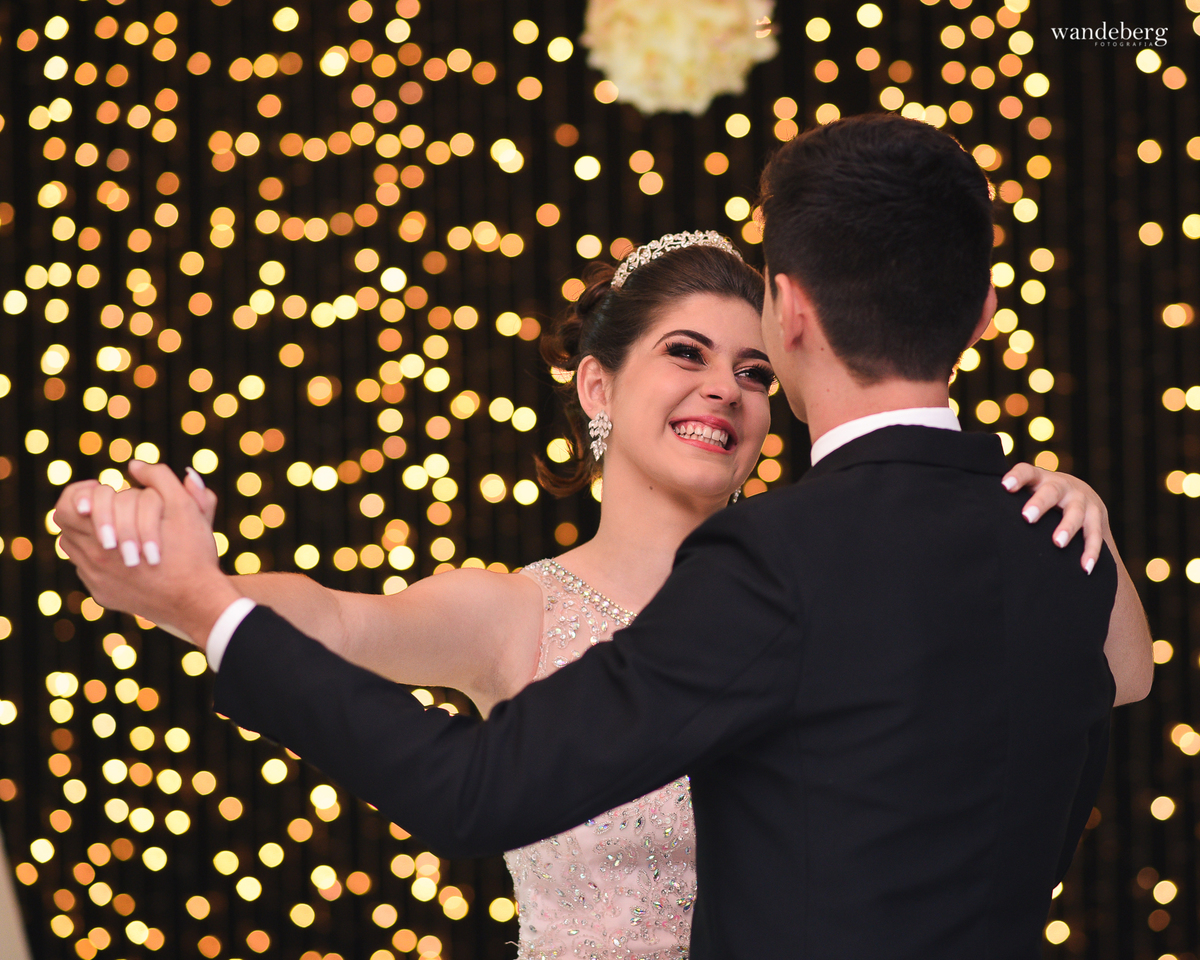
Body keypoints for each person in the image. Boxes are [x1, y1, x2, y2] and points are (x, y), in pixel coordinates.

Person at [56, 115, 1152, 958]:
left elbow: (1124, 669)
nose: (725, 389)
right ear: (597, 384)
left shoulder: (804, 567)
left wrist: (1078, 514)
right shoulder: (528, 607)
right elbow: (340, 621)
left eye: (752, 368)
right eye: (686, 354)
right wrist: (195, 588)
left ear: (792, 330)